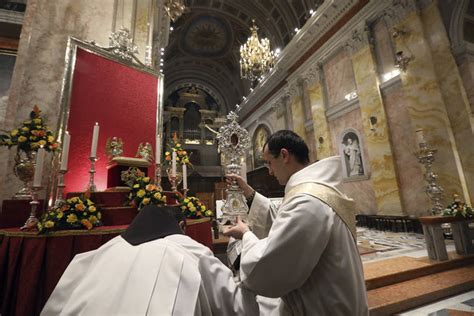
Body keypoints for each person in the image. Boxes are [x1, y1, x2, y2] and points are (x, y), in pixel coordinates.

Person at [224, 130, 368, 315]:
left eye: (269, 163)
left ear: (284, 155)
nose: (269, 171)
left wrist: (246, 234)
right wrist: (249, 193)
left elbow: (266, 263)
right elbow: (284, 220)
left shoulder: (308, 200)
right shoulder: (313, 191)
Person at [41, 205, 259, 316]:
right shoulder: (191, 251)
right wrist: (245, 253)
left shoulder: (98, 253)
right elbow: (238, 307)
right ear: (182, 227)